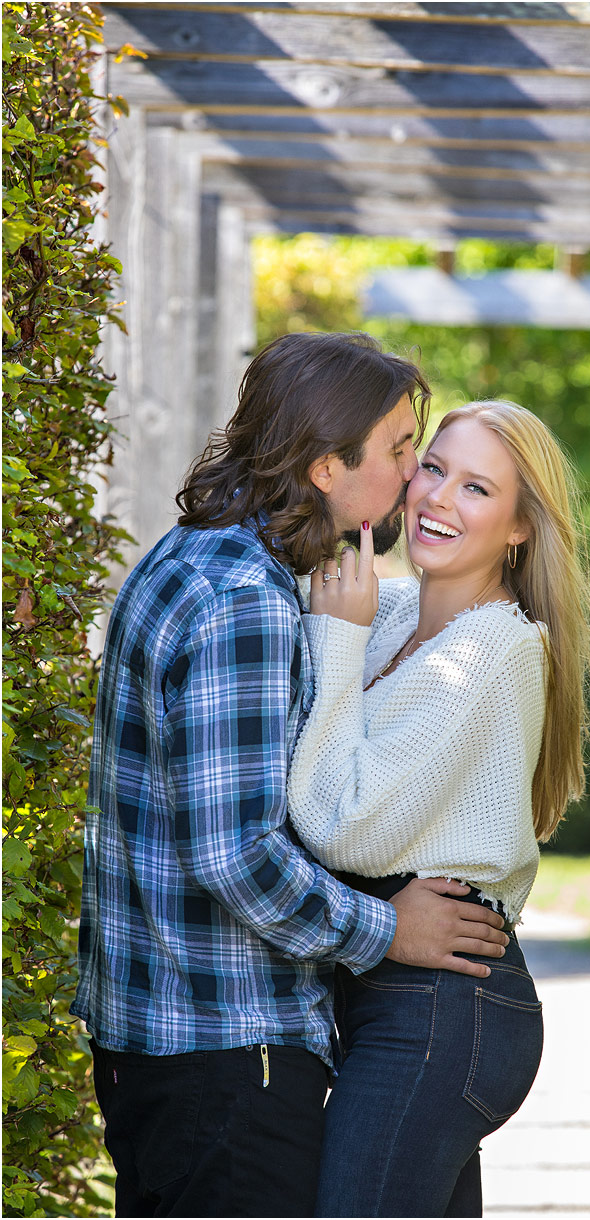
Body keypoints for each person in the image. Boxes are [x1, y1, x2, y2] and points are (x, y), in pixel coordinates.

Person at [70, 333, 511, 1220]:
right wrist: (386, 930)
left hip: (169, 1049)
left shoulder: (192, 554)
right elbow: (237, 857)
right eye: (396, 452)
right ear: (324, 468)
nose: (409, 477)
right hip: (227, 1055)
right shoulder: (244, 603)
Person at [287, 399, 590, 1217]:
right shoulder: (389, 610)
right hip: (392, 996)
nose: (437, 499)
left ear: (518, 528)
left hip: (443, 1005)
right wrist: (344, 629)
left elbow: (339, 822)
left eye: (476, 489)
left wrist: (334, 639)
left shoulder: (496, 647)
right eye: (432, 468)